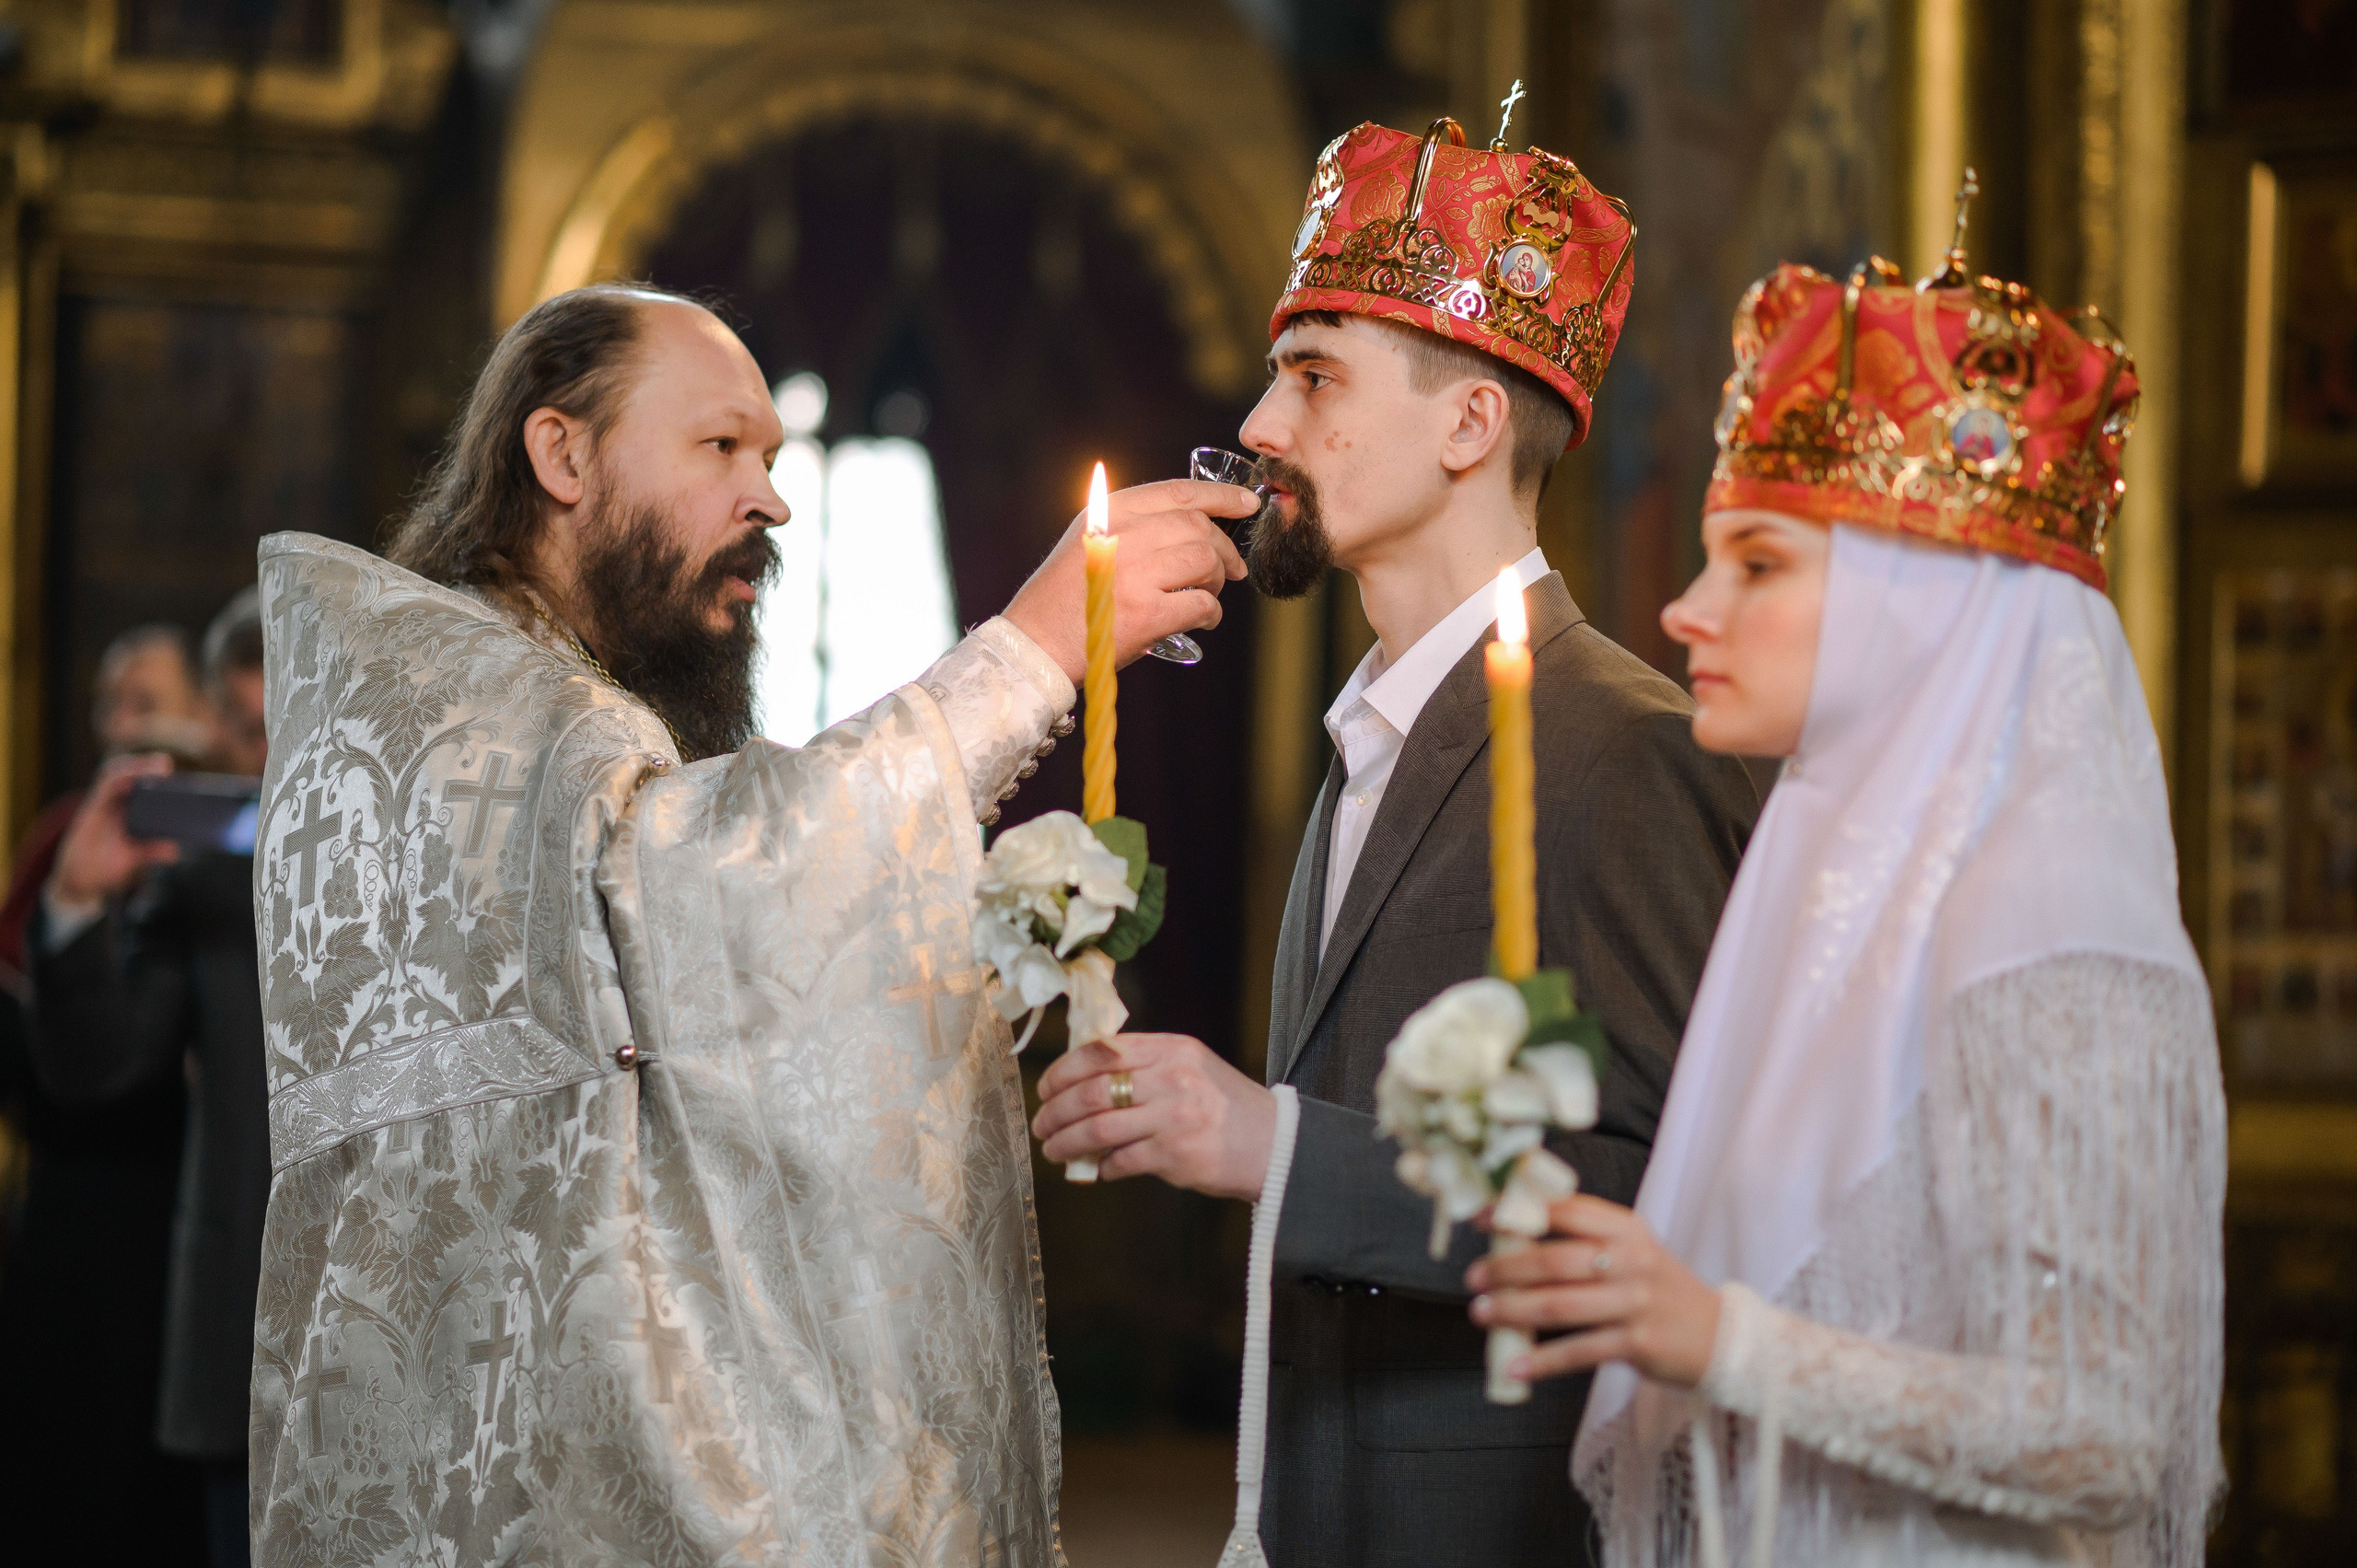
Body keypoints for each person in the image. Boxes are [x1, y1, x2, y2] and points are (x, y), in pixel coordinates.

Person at [249, 282, 1254, 1564]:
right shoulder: (474, 716)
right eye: (721, 446)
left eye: (774, 457)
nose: (771, 498)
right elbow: (714, 884)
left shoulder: (505, 690)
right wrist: (1037, 644)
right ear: (560, 452)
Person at [1030, 116, 1758, 1566]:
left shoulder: (1628, 747)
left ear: (1471, 424)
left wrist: (1269, 1140)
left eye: (1312, 378)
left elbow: (1672, 1212)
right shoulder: (1374, 733)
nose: (1259, 424)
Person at [1465, 245, 2225, 1566]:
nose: (1687, 609)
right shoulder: (1824, 893)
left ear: (1920, 606)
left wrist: (1720, 1336)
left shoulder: (2047, 916)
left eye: (1757, 564)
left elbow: (2108, 1432)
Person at [29, 587, 272, 1568]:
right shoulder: (198, 877)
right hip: (235, 1349)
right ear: (217, 724)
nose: (274, 765)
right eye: (252, 732)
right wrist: (79, 898)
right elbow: (99, 1064)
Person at [0, 621, 216, 1566]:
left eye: (150, 699)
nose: (127, 723)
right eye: (110, 704)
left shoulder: (222, 835)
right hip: (80, 1209)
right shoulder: (72, 832)